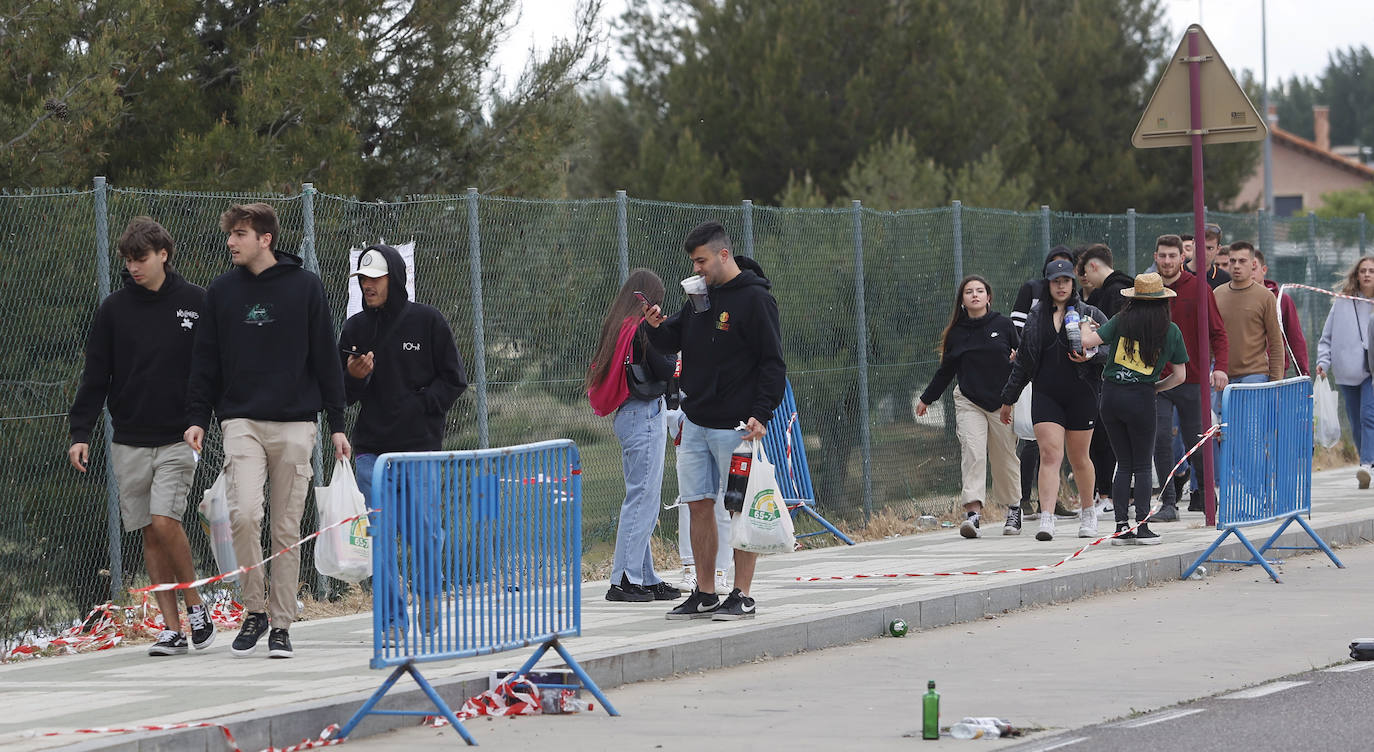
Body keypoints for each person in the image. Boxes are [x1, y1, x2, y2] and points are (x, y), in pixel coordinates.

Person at [184, 202, 350, 659]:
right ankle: (254, 609)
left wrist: (337, 424)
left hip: (297, 423)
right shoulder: (221, 292)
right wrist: (197, 417)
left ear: (265, 239)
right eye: (230, 234)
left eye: (240, 234)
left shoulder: (305, 286)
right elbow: (205, 360)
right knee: (243, 515)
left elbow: (326, 357)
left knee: (285, 527)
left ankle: (281, 624)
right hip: (241, 421)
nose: (231, 242)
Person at [68, 217, 215, 657]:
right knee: (151, 532)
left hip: (178, 437)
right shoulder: (113, 310)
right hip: (128, 440)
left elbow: (209, 371)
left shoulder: (196, 302)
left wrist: (204, 420)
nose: (133, 267)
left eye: (141, 259)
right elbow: (96, 375)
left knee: (166, 520)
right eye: (128, 260)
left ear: (163, 255)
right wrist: (81, 432)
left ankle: (196, 606)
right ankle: (171, 630)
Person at [642, 221, 786, 621]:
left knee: (740, 507)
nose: (697, 268)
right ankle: (704, 592)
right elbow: (674, 339)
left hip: (736, 427)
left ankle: (742, 594)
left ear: (724, 254)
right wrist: (656, 326)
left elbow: (773, 363)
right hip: (696, 422)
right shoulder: (700, 297)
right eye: (694, 262)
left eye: (701, 260)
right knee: (698, 505)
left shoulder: (756, 299)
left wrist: (761, 412)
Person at [340, 245, 467, 636]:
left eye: (375, 278)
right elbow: (343, 395)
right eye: (363, 279)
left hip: (419, 449)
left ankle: (429, 595)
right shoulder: (355, 328)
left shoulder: (428, 321)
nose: (368, 285)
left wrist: (422, 405)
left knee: (425, 533)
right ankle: (393, 621)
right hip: (371, 453)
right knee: (379, 538)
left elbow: (454, 380)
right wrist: (355, 377)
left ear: (394, 278)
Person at [587, 268, 682, 603]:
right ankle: (624, 579)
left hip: (628, 414)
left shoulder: (618, 325)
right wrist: (662, 333)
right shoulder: (641, 329)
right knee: (642, 499)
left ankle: (645, 576)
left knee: (642, 497)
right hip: (644, 414)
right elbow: (666, 369)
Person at [998, 258, 1108, 542]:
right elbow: (1024, 362)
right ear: (1047, 284)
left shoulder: (1090, 313)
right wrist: (1008, 398)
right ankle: (1046, 517)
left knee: (1079, 458)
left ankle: (1088, 512)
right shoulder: (1036, 317)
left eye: (1066, 281)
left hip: (1082, 392)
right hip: (1047, 394)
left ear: (1073, 283)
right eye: (1055, 281)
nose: (1061, 286)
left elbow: (1112, 349)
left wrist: (1092, 354)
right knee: (1049, 454)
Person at [1079, 273, 1188, 546]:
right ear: (1163, 302)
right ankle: (1142, 527)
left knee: (1123, 464)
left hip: (1111, 396)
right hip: (1141, 397)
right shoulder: (1171, 331)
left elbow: (1088, 342)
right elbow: (1180, 376)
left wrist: (1083, 325)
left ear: (1134, 300)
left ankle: (1121, 528)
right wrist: (1156, 387)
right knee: (1141, 465)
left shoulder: (1120, 321)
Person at [917, 275, 1021, 537]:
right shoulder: (957, 333)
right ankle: (973, 516)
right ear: (962, 300)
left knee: (1004, 457)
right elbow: (946, 371)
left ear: (988, 297)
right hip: (969, 401)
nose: (975, 295)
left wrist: (1016, 358)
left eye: (980, 291)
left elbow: (1022, 358)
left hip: (1002, 402)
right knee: (973, 453)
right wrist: (927, 398)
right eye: (969, 292)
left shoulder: (1004, 325)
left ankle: (1013, 510)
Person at [1151, 235, 1229, 519]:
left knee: (1196, 441)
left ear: (1182, 258)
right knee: (1160, 440)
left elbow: (1218, 332)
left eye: (1172, 256)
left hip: (1193, 379)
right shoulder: (1147, 289)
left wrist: (1220, 367)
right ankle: (1168, 503)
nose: (1167, 261)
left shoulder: (1199, 288)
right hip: (1158, 381)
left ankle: (1208, 496)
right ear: (1155, 257)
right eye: (1162, 256)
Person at [1009, 247, 1078, 521]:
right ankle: (1024, 498)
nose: (1060, 281)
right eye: (1055, 272)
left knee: (1055, 446)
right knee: (1032, 439)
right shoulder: (1032, 291)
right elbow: (1017, 326)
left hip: (1067, 379)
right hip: (1035, 373)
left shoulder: (1077, 303)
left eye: (1066, 273)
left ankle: (1050, 500)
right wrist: (1026, 355)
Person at [1078, 244, 1134, 513]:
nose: (1086, 280)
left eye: (1085, 273)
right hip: (1122, 372)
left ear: (1093, 266)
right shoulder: (1122, 289)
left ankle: (1112, 496)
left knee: (1110, 438)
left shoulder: (1113, 293)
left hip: (1116, 373)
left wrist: (1092, 351)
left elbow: (1112, 338)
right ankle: (1114, 496)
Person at [1316, 256, 1374, 489]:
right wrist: (1323, 362)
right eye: (1363, 271)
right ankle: (1366, 462)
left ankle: (1367, 464)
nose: (1367, 274)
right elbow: (1327, 337)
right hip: (1347, 370)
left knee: (1368, 415)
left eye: (1372, 271)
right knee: (1355, 420)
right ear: (1356, 275)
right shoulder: (1343, 301)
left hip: (1371, 371)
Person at [1215, 243, 1284, 392]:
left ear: (1253, 264)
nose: (1236, 266)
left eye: (1242, 261)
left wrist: (1275, 383)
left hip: (1255, 374)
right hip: (1221, 375)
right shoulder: (1217, 294)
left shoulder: (1266, 297)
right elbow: (1210, 337)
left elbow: (1276, 342)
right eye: (1232, 261)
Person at [1251, 247, 1309, 376]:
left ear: (1264, 270)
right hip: (1242, 372)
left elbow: (1295, 339)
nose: (1250, 274)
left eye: (1253, 268)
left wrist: (1303, 373)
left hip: (1275, 372)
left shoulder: (1282, 300)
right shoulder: (1232, 298)